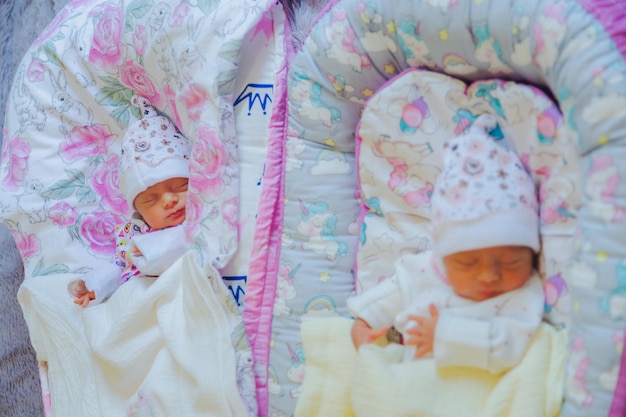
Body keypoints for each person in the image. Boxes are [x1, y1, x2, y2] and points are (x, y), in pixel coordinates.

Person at [348, 114, 545, 374]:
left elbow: (511, 344)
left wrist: (445, 336)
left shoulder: (522, 293)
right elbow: (391, 295)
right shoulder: (424, 270)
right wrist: (363, 322)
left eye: (511, 261)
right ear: (444, 256)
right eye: (467, 263)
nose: (488, 275)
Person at [69, 96, 191, 307]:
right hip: (143, 299)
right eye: (151, 200)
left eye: (180, 187)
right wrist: (95, 286)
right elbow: (119, 266)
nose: (169, 200)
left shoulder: (201, 220)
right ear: (139, 213)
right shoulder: (134, 236)